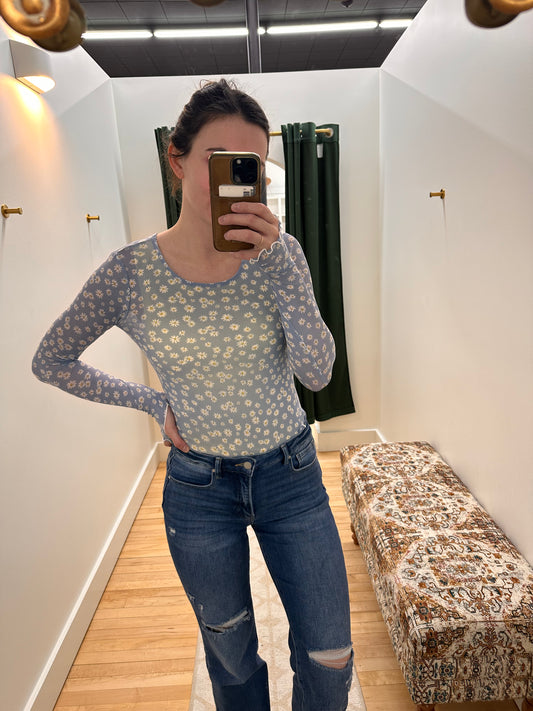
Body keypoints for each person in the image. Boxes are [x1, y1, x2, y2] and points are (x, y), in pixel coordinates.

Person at [32, 79, 353, 711]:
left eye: (252, 165)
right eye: (221, 161)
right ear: (177, 161)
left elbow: (317, 374)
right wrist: (154, 403)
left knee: (329, 651)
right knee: (229, 656)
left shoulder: (281, 256)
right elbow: (52, 360)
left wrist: (282, 266)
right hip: (198, 491)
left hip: (291, 477)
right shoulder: (129, 273)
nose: (238, 179)